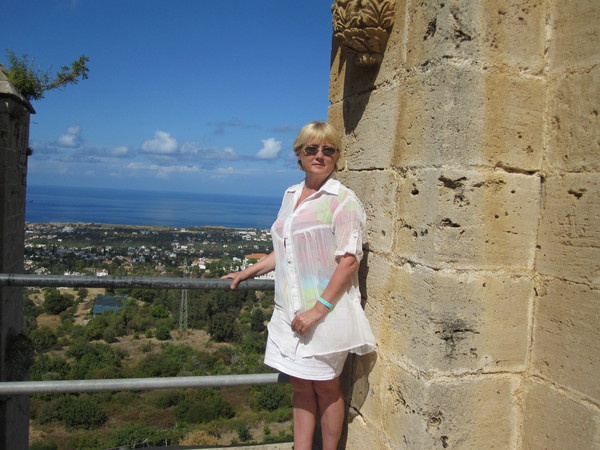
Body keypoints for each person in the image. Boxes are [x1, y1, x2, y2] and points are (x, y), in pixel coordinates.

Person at [223, 121, 376, 450]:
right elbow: (284, 249)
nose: (320, 155)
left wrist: (317, 311)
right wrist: (246, 272)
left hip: (325, 316)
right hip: (289, 312)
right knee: (301, 387)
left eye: (328, 149)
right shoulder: (291, 195)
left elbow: (349, 261)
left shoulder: (343, 201)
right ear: (299, 154)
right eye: (312, 149)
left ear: (337, 156)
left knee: (326, 388)